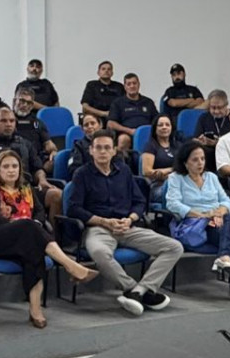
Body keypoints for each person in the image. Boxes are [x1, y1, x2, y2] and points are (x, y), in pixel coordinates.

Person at [67, 130, 184, 315]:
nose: (103, 152)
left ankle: (142, 290)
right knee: (99, 253)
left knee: (174, 247)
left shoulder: (124, 171)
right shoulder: (82, 174)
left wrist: (130, 219)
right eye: (98, 148)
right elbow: (74, 208)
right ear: (91, 150)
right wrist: (104, 221)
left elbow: (139, 202)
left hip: (127, 227)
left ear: (114, 150)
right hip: (98, 228)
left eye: (107, 148)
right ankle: (131, 288)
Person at [0, 150, 98, 328]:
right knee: (28, 227)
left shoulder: (26, 187)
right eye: (6, 166)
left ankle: (36, 310)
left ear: (20, 169)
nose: (11, 170)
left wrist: (33, 223)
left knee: (34, 251)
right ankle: (70, 265)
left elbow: (40, 211)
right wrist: (17, 223)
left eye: (14, 166)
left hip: (24, 240)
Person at [164, 142, 230, 302]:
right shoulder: (176, 178)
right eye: (195, 160)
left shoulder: (211, 177)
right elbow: (173, 204)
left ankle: (224, 257)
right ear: (185, 162)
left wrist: (219, 212)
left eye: (202, 159)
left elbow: (226, 200)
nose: (200, 163)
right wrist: (203, 215)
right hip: (194, 225)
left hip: (217, 222)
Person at [0, 107, 62, 219]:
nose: (8, 124)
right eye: (3, 121)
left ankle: (51, 230)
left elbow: (37, 168)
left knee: (56, 195)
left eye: (12, 121)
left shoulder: (25, 143)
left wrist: (42, 180)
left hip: (26, 190)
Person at [107, 72, 157, 153]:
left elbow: (157, 120)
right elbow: (111, 123)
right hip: (127, 134)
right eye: (129, 84)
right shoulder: (118, 103)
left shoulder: (148, 102)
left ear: (139, 85)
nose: (132, 86)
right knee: (123, 139)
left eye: (134, 83)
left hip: (147, 133)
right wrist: (130, 131)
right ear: (125, 87)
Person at [140, 112, 181, 198]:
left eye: (167, 125)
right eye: (160, 125)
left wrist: (168, 173)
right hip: (158, 186)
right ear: (155, 128)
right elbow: (146, 171)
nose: (164, 127)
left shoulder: (178, 146)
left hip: (178, 183)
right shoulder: (150, 146)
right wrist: (170, 170)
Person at [11, 89, 57, 162]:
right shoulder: (6, 120)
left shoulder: (37, 122)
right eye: (22, 101)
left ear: (32, 105)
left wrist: (53, 151)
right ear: (14, 101)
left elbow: (48, 143)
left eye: (29, 103)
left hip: (35, 159)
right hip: (12, 158)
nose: (25, 105)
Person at [80, 60, 125, 124]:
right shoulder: (92, 85)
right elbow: (85, 106)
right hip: (96, 117)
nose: (106, 71)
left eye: (109, 69)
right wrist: (103, 113)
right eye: (103, 69)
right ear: (98, 72)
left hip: (115, 118)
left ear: (112, 73)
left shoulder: (119, 86)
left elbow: (125, 104)